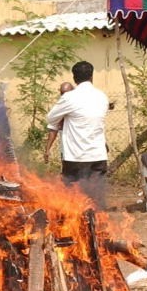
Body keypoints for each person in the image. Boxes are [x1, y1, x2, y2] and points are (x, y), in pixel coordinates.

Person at [45, 61, 109, 207]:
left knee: (74, 200)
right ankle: (98, 227)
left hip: (76, 157)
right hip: (98, 156)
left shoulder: (69, 98)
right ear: (92, 76)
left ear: (74, 78)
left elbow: (51, 118)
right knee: (96, 200)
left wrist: (65, 117)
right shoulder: (102, 97)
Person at [42, 82, 74, 163]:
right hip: (68, 152)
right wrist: (47, 150)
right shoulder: (61, 108)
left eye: (66, 93)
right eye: (62, 93)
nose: (64, 96)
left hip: (87, 152)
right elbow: (53, 128)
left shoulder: (82, 105)